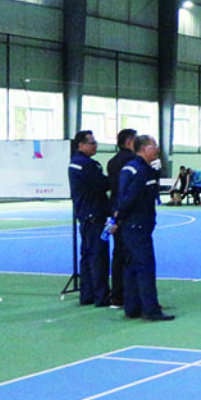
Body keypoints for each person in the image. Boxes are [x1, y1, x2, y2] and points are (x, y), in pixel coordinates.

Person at [114, 135, 173, 321]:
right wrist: (118, 218)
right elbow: (129, 198)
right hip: (138, 224)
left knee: (131, 266)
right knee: (145, 266)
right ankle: (150, 309)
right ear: (144, 148)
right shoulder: (140, 171)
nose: (157, 149)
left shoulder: (131, 168)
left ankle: (132, 308)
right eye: (154, 146)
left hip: (130, 225)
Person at [67, 130, 111, 307]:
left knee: (86, 256)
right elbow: (102, 184)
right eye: (92, 143)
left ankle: (87, 295)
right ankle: (101, 296)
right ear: (81, 145)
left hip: (84, 215)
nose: (95, 146)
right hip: (95, 215)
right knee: (98, 257)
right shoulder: (88, 165)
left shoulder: (74, 163)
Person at [106, 128, 138, 308]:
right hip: (128, 213)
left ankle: (117, 294)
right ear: (129, 142)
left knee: (118, 254)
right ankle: (131, 296)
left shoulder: (112, 162)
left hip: (116, 210)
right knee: (131, 255)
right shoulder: (133, 162)